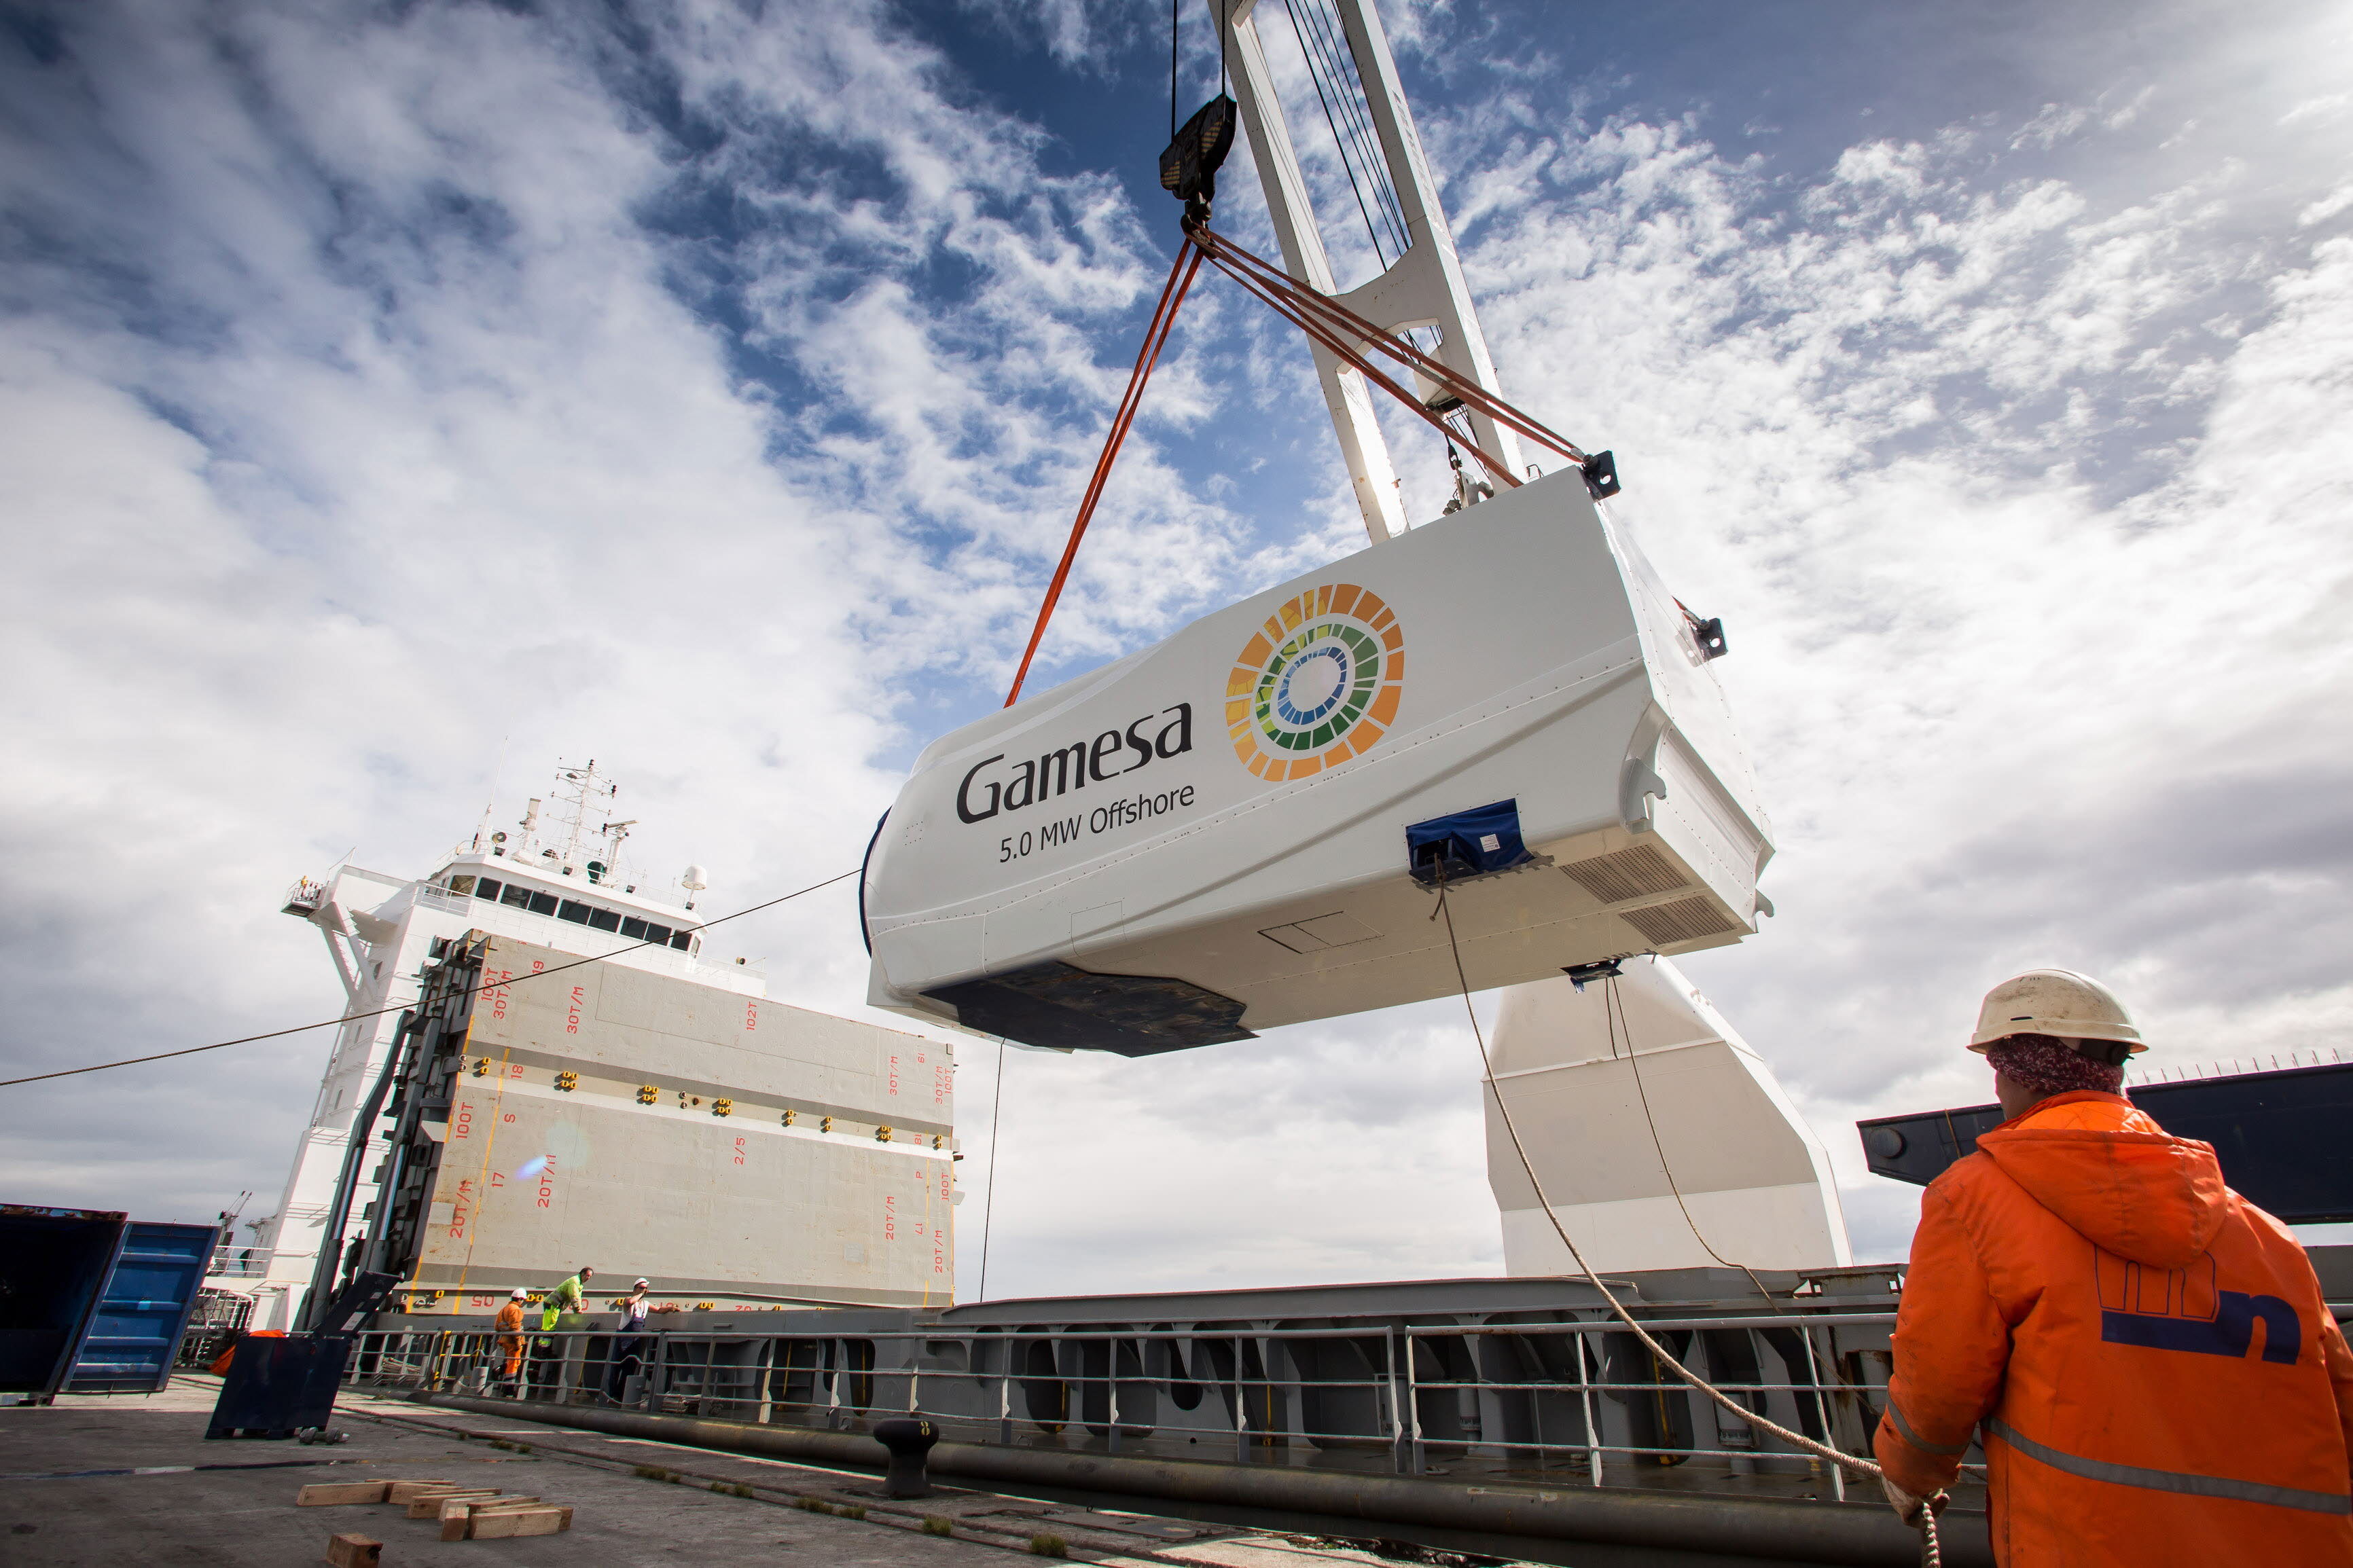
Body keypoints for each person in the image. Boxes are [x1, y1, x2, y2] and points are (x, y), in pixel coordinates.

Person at [1875, 969, 2353, 1563]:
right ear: (2115, 1070)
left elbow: (1939, 1380)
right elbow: (2338, 1394)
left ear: (2014, 1075)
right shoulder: (2264, 1233)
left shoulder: (1973, 1198)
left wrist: (1909, 1470)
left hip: (2086, 1541)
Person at [605, 1278, 652, 1402]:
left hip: (634, 1341)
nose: (644, 1290)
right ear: (635, 1289)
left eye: (645, 1288)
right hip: (622, 1339)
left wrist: (671, 1309)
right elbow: (630, 1302)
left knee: (629, 1369)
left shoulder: (645, 1305)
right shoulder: (628, 1300)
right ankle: (611, 1395)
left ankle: (621, 1396)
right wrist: (641, 1294)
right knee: (615, 1367)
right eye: (641, 1288)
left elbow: (658, 1310)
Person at [492, 1288, 528, 1394]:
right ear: (520, 1299)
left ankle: (500, 1370)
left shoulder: (504, 1309)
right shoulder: (516, 1310)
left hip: (505, 1341)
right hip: (513, 1342)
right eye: (523, 1300)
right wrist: (518, 1343)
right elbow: (516, 1328)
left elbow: (497, 1327)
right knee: (513, 1363)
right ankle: (509, 1389)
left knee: (513, 1362)